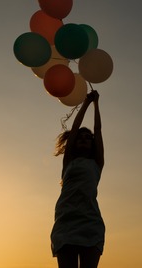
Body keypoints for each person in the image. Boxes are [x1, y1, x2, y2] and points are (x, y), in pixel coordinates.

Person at [51, 90, 105, 268]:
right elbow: (74, 130)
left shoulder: (96, 163)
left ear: (92, 144)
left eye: (87, 138)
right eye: (80, 138)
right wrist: (86, 104)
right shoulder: (69, 162)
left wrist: (96, 103)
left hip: (90, 222)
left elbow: (97, 131)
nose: (83, 139)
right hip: (66, 221)